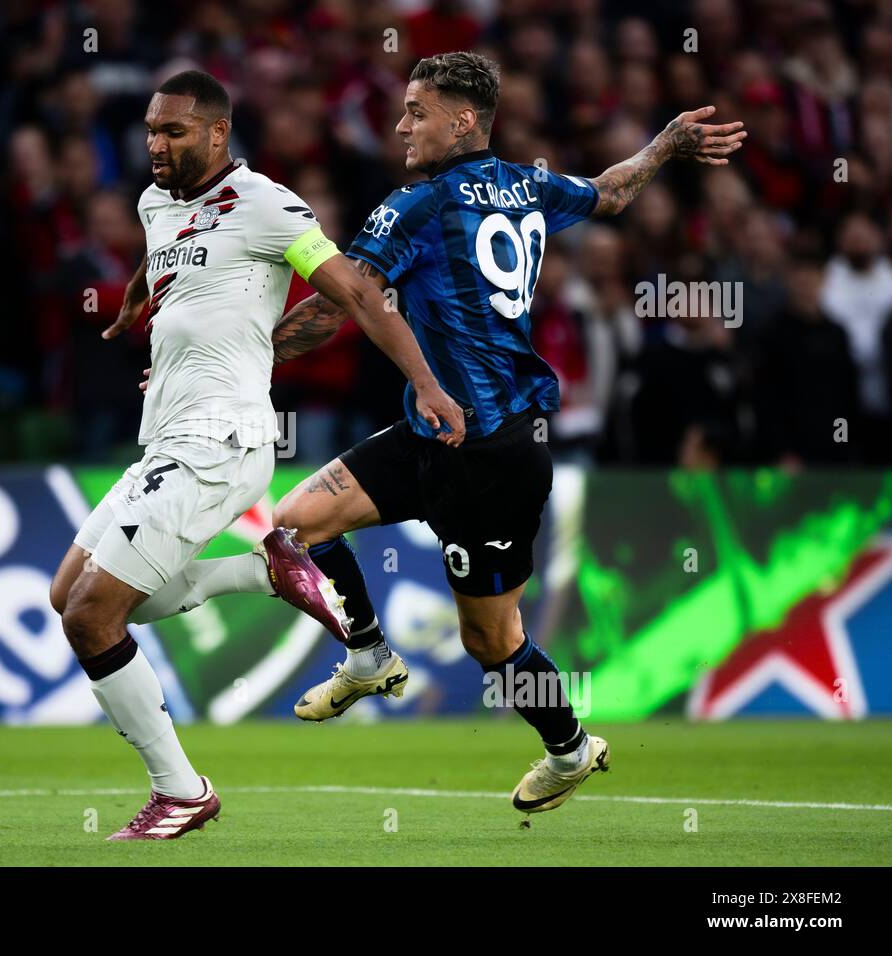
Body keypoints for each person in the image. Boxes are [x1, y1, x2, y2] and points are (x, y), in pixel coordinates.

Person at [133, 52, 747, 817]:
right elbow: (612, 192)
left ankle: (569, 747)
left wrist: (227, 363)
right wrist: (663, 146)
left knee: (491, 642)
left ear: (462, 122)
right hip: (432, 430)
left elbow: (337, 305)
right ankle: (368, 655)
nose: (401, 126)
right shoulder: (527, 184)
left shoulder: (416, 206)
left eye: (416, 112)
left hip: (493, 452)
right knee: (296, 524)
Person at [48, 70, 466, 841]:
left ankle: (180, 791)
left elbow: (356, 295)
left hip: (220, 439)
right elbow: (164, 254)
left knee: (92, 616)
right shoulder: (154, 204)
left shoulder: (269, 205)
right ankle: (260, 570)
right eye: (149, 130)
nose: (156, 145)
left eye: (174, 132)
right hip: (167, 434)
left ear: (217, 133)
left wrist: (426, 385)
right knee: (66, 596)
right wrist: (141, 302)